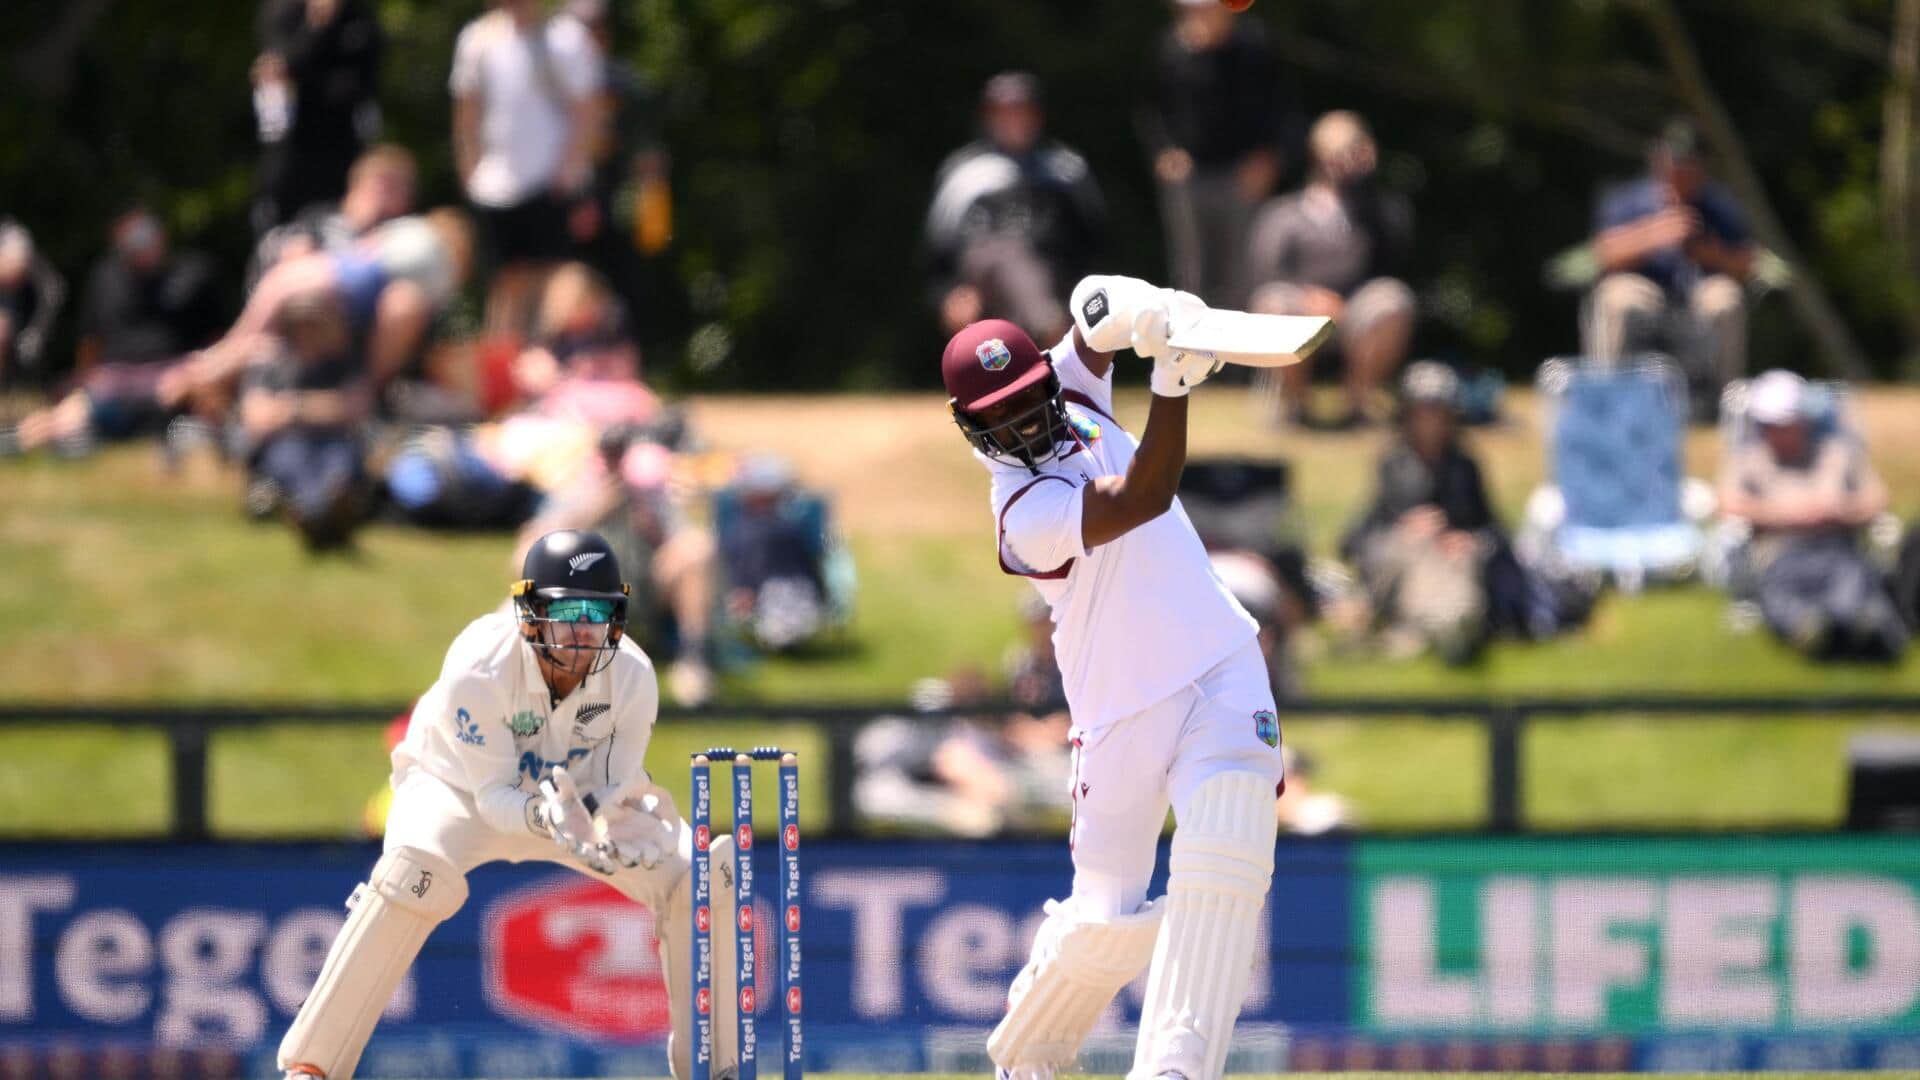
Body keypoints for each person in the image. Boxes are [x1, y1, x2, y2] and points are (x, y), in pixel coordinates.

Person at [943, 273, 1282, 1080]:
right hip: (1119, 712)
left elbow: (1093, 312)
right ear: (972, 428)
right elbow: (1144, 496)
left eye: (1027, 400)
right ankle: (1026, 1060)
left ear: (1042, 379)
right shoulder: (1022, 513)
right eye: (999, 418)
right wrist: (1172, 381)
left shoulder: (1071, 390)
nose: (1025, 424)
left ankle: (1175, 1069)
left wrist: (1157, 313)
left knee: (1228, 848)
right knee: (1105, 924)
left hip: (1221, 665)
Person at [276, 530, 744, 1080]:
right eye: (565, 612)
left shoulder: (633, 676)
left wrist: (605, 814)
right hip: (456, 790)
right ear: (530, 615)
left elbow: (614, 781)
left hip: (577, 808)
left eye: (597, 613)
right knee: (412, 876)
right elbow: (494, 796)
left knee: (696, 880)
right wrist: (546, 816)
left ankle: (715, 1069)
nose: (582, 631)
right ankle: (312, 1067)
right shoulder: (480, 665)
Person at [1718, 370, 1906, 660]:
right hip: (1781, 554)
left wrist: (1840, 511)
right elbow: (1727, 503)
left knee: (1852, 585)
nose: (1773, 430)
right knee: (1783, 596)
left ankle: (1859, 627)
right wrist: (1786, 515)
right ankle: (1812, 628)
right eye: (1767, 424)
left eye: (1782, 423)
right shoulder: (1752, 458)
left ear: (1802, 419)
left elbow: (1877, 498)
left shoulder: (1836, 453)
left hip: (1837, 548)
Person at [1246, 110, 1415, 428]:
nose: (1345, 161)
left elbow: (1393, 262)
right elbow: (1264, 272)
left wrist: (1366, 186)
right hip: (1300, 306)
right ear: (1318, 154)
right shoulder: (1284, 212)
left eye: (1354, 151)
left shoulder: (1378, 211)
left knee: (1394, 300)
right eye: (1338, 152)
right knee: (1272, 302)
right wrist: (1311, 298)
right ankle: (1295, 406)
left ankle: (1358, 404)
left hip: (1357, 310)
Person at [451, 0, 604, 336]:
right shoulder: (478, 39)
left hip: (552, 180)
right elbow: (467, 111)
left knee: (552, 277)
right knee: (505, 282)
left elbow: (587, 110)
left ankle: (545, 352)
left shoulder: (566, 38)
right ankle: (504, 358)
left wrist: (570, 169)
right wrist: (470, 169)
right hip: (495, 184)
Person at [926, 73, 1106, 345]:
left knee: (1026, 266)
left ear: (1038, 116)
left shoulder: (1066, 170)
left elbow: (1096, 246)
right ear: (987, 118)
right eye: (1003, 113)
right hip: (981, 288)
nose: (1013, 121)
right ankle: (1046, 324)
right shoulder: (963, 172)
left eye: (1022, 111)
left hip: (1056, 282)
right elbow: (936, 254)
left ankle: (1046, 326)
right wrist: (947, 296)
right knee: (1007, 255)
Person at [1338, 362, 1501, 663]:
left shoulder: (1465, 467)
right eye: (1421, 412)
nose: (1429, 422)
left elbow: (1495, 531)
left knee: (1460, 563)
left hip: (1453, 562)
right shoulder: (1392, 465)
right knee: (1411, 550)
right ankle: (1425, 623)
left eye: (1437, 412)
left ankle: (1455, 621)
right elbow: (1355, 538)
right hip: (1406, 560)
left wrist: (1468, 540)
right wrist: (1405, 529)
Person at [1150, 0, 1297, 310]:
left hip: (1243, 174)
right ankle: (1190, 338)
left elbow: (1281, 107)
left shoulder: (1255, 47)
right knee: (1190, 271)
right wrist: (1165, 151)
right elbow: (1154, 108)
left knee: (1242, 270)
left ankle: (1238, 342)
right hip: (1191, 175)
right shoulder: (1173, 50)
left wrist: (1269, 158)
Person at [1589, 118, 1753, 394]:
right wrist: (1654, 235)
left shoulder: (1719, 205)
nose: (1680, 172)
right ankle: (1612, 397)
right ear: (1658, 160)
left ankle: (1726, 401)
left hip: (1697, 293)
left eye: (1689, 164)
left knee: (1726, 298)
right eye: (1674, 163)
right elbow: (1603, 254)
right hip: (1645, 289)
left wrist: (1709, 253)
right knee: (1618, 298)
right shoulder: (1628, 199)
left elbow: (1746, 264)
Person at [238, 291, 375, 551]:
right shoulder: (270, 363)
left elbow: (356, 408)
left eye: (313, 324)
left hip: (333, 441)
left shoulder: (342, 363)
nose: (307, 331)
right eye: (302, 324)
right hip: (285, 443)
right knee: (293, 460)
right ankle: (323, 517)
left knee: (339, 463)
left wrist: (291, 407)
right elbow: (257, 419)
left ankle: (318, 517)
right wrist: (320, 406)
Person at [252, 0, 385, 233]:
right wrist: (317, 25)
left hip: (343, 148)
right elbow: (282, 67)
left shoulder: (359, 19)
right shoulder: (283, 13)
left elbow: (362, 84)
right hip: (292, 151)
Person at [0, 220, 65, 390]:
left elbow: (53, 293)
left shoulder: (38, 273)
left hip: (28, 321)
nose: (16, 280)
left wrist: (37, 331)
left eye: (20, 274)